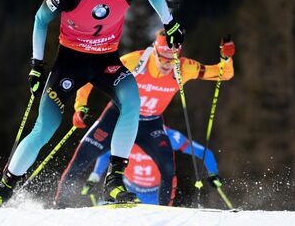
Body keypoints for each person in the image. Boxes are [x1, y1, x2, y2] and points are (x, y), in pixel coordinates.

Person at [0, 0, 185, 207]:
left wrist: (170, 23)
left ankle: (114, 183)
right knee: (46, 127)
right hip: (70, 63)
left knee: (133, 100)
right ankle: (3, 189)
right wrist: (37, 65)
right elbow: (41, 20)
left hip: (106, 62)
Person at [54, 30, 234, 207]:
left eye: (172, 59)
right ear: (154, 50)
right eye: (162, 57)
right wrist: (80, 105)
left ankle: (164, 215)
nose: (166, 64)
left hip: (150, 124)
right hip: (119, 117)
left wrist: (226, 59)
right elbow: (91, 74)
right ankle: (59, 206)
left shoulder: (184, 68)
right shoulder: (135, 60)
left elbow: (223, 73)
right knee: (81, 160)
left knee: (168, 168)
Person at [81, 126, 225, 206]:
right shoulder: (126, 134)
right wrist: (94, 176)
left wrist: (213, 173)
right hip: (128, 189)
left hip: (157, 194)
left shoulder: (169, 137)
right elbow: (107, 153)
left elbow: (204, 152)